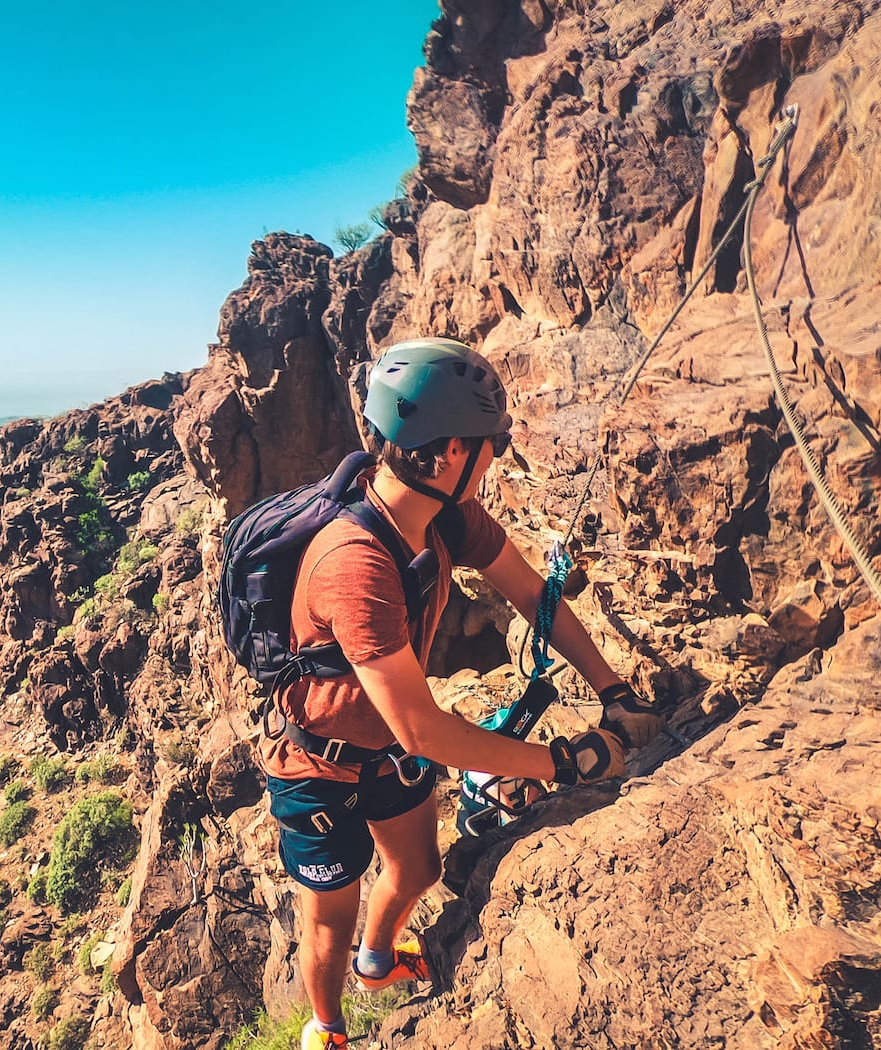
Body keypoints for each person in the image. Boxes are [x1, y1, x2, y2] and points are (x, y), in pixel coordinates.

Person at [259, 338, 665, 1050]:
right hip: (315, 766)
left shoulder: (446, 513)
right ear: (449, 452)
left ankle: (377, 963)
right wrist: (564, 762)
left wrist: (613, 688)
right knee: (328, 915)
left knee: (419, 867)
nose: (496, 456)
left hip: (383, 749)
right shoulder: (355, 565)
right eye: (492, 444)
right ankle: (325, 1028)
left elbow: (532, 593)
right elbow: (422, 728)